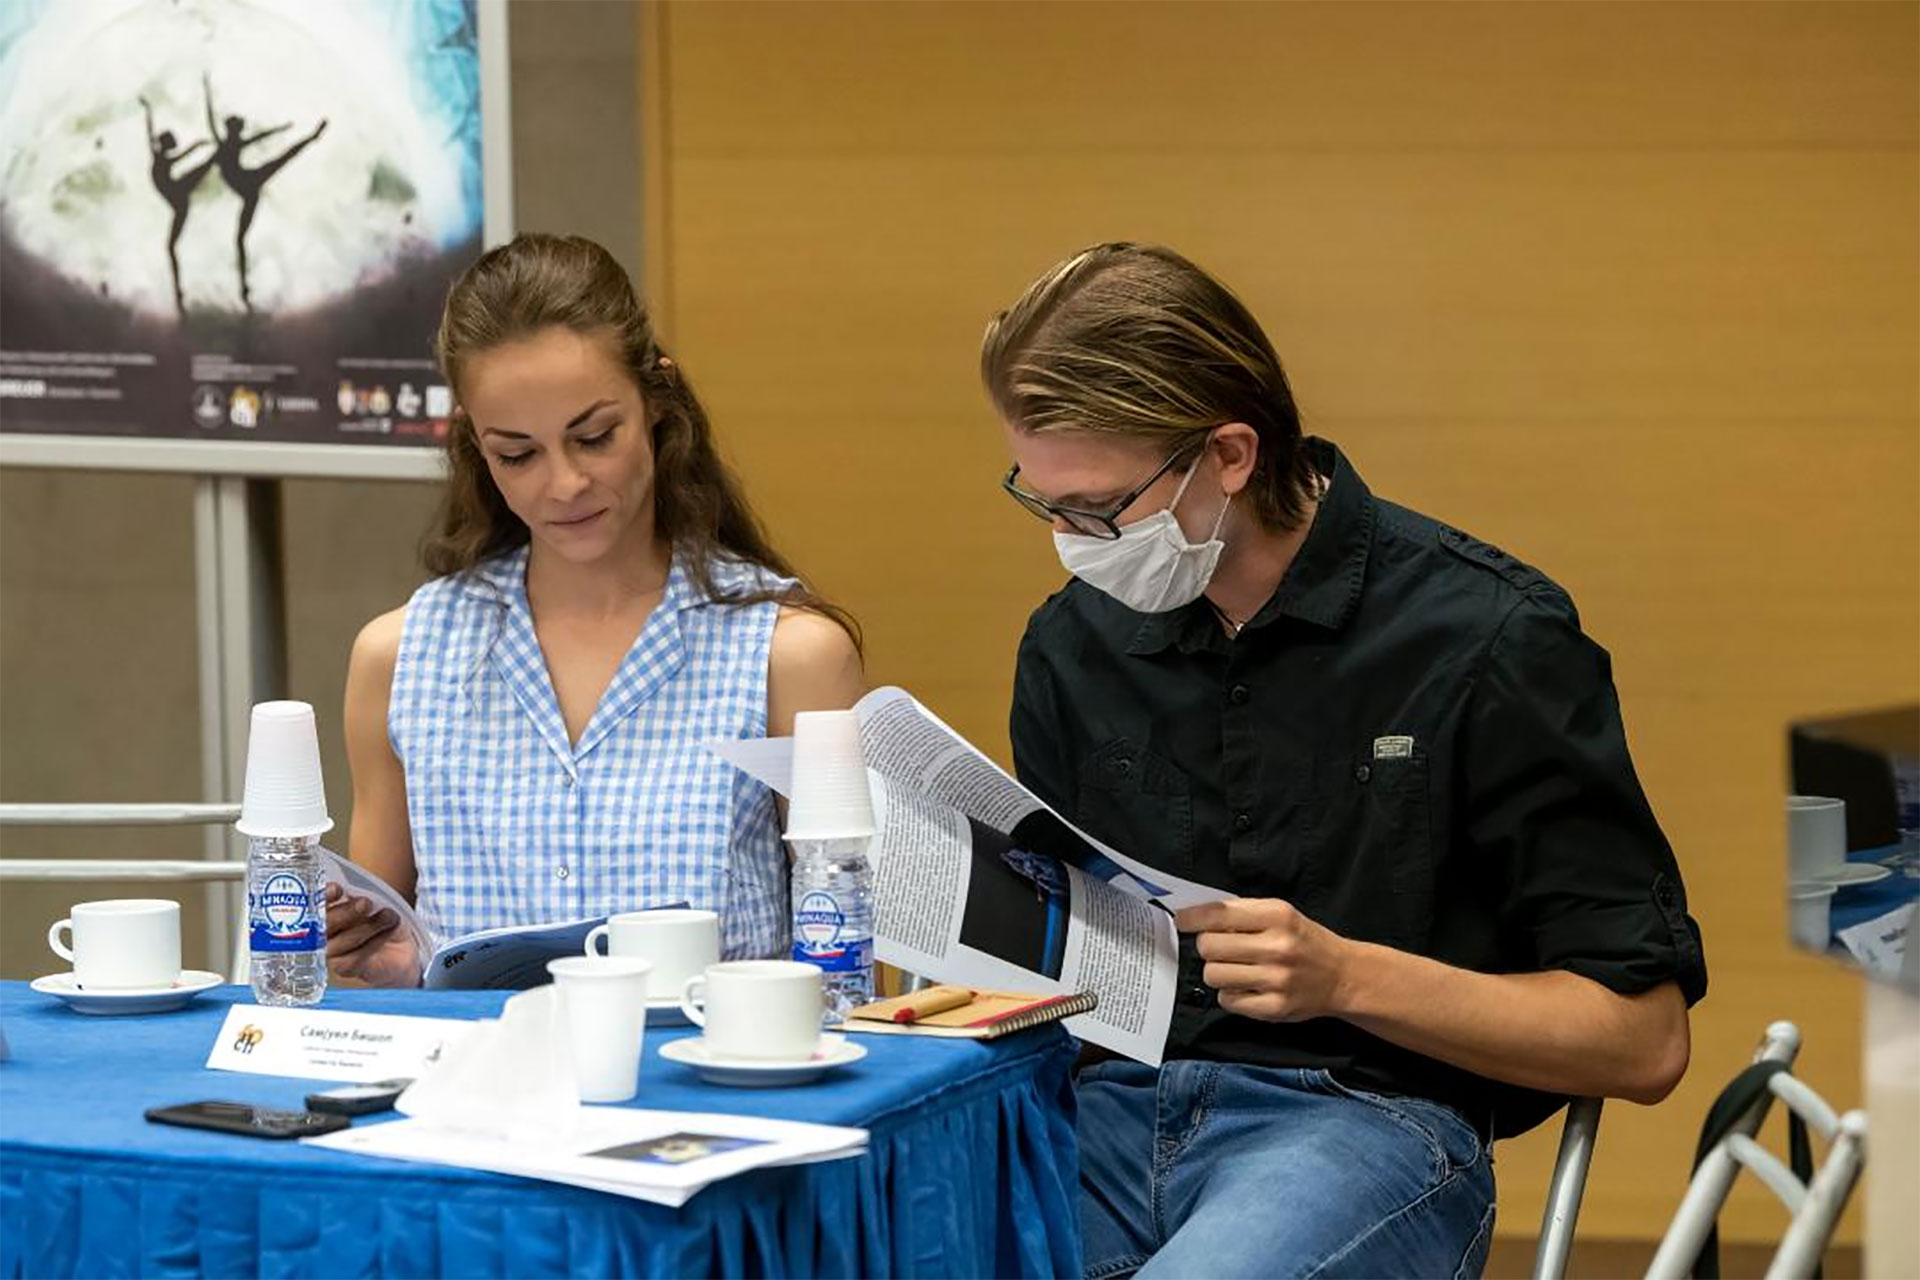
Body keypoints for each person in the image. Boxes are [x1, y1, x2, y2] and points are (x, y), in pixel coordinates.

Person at [981, 242, 1707, 1278]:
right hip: (1103, 1114)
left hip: (1366, 1123)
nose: (1070, 538)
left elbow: (1643, 1041)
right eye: (1042, 501)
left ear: (1230, 454)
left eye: (1100, 509)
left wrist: (1343, 976)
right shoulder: (1073, 645)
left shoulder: (1487, 639)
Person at [327, 233, 864, 986]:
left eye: (595, 436)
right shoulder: (401, 658)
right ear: (476, 445)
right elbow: (378, 966)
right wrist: (383, 962)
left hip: (704, 1061)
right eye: (518, 454)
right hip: (475, 1059)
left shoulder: (786, 655)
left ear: (658, 402)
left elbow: (849, 971)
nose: (566, 484)